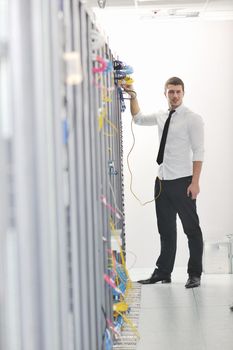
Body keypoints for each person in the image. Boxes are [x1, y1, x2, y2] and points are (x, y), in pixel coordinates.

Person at [124, 77, 204, 288]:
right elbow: (138, 118)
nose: (175, 96)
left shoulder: (192, 118)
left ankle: (194, 274)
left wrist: (195, 183)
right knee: (166, 230)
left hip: (183, 181)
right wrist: (133, 95)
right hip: (162, 181)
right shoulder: (161, 115)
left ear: (183, 93)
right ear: (165, 93)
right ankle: (163, 272)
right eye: (171, 92)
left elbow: (199, 151)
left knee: (192, 229)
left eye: (178, 92)